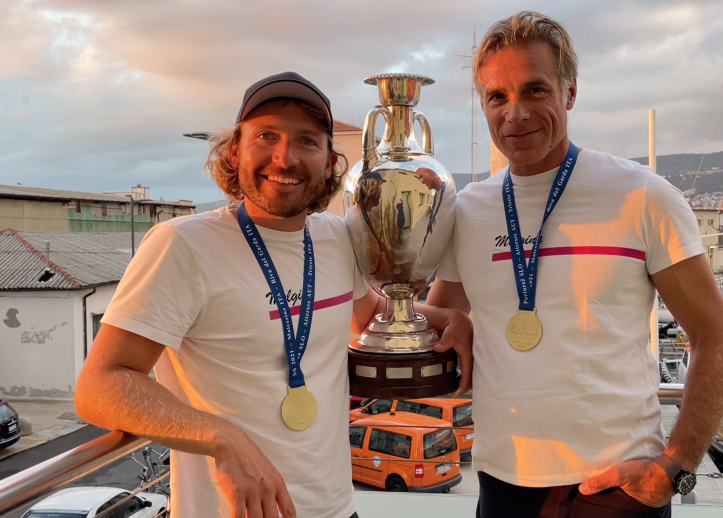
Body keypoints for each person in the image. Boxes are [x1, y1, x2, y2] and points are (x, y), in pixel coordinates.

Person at [75, 71, 472, 518]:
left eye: (306, 141)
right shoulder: (182, 245)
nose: (284, 158)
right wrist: (224, 440)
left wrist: (444, 319)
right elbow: (100, 386)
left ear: (329, 163)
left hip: (337, 510)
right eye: (267, 136)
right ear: (235, 150)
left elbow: (369, 313)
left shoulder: (335, 238)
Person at [426, 12, 723, 518]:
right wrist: (448, 321)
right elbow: (431, 323)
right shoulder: (469, 210)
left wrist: (675, 470)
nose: (515, 114)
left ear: (569, 92)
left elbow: (716, 338)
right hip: (502, 485)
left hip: (615, 490)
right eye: (497, 97)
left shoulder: (643, 196)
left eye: (535, 91)